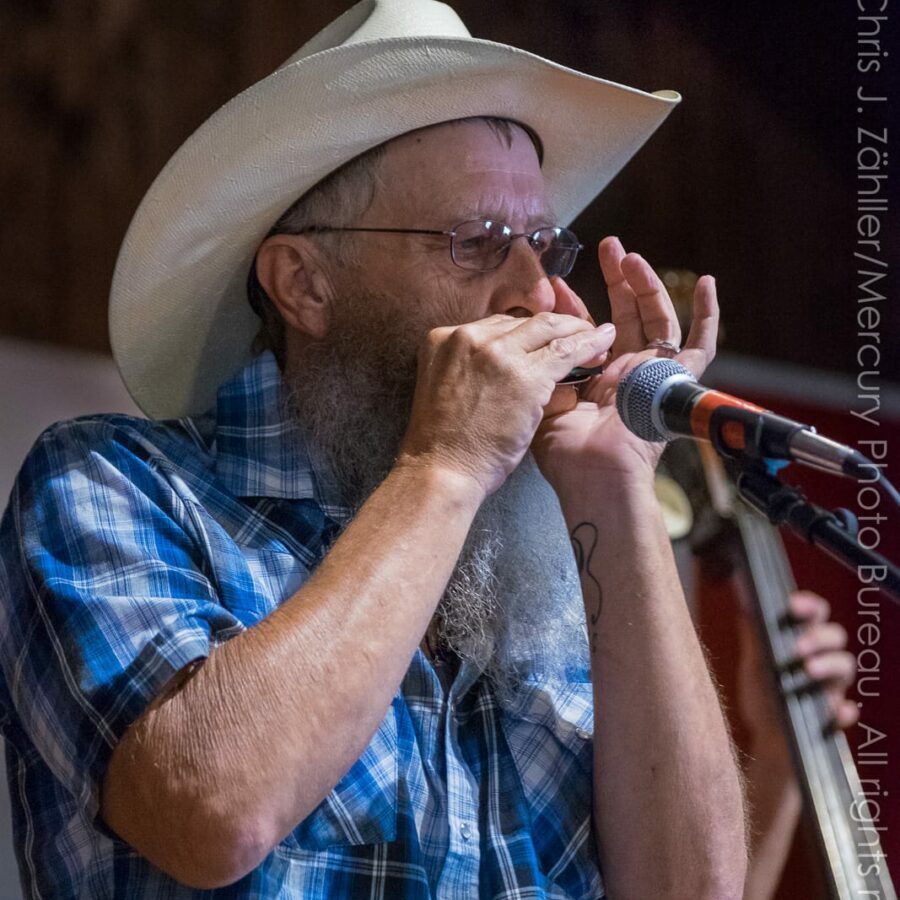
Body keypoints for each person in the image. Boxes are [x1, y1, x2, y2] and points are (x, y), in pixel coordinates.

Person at [0, 1, 856, 897]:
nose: (535, 292)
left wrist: (613, 485)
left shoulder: (550, 571)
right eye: (476, 242)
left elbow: (692, 892)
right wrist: (443, 466)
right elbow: (212, 813)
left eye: (544, 246)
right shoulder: (117, 484)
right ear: (305, 283)